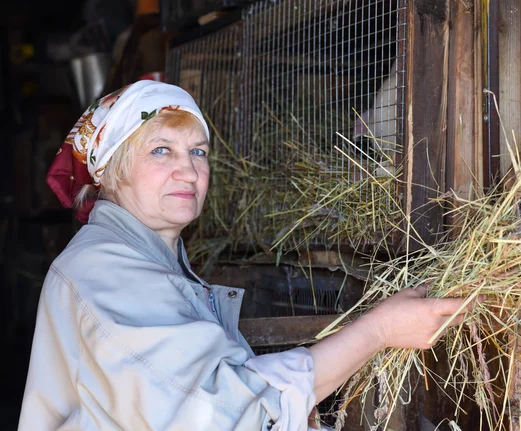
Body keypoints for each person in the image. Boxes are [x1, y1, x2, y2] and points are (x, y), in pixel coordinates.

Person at [18, 81, 477, 430]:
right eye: (162, 151)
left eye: (198, 152)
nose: (189, 168)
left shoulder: (149, 256)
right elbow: (227, 410)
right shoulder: (106, 271)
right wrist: (379, 331)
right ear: (112, 172)